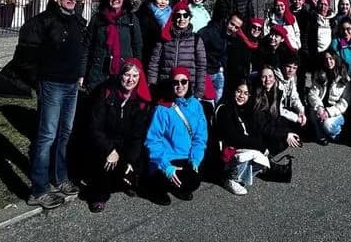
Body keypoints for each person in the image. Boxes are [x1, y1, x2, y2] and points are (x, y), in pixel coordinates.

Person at [19, 0, 88, 209]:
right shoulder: (42, 21)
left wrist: (80, 74)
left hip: (71, 85)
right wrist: (37, 80)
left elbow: (81, 51)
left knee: (65, 133)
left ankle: (60, 177)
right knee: (46, 135)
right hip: (51, 84)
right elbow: (26, 54)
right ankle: (38, 189)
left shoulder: (77, 21)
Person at [86, 59, 152, 212]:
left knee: (138, 158)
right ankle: (99, 195)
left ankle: (125, 179)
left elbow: (138, 134)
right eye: (127, 75)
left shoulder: (141, 101)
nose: (130, 80)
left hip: (126, 142)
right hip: (105, 140)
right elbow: (94, 126)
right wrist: (110, 149)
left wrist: (130, 160)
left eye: (135, 76)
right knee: (104, 162)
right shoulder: (106, 92)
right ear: (120, 75)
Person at [145, 66, 208, 205]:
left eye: (184, 82)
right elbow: (153, 140)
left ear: (189, 83)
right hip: (167, 158)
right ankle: (153, 189)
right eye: (176, 82)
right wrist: (165, 165)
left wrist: (195, 159)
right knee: (162, 179)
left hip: (187, 156)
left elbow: (200, 137)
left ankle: (177, 186)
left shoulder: (196, 105)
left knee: (194, 181)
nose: (180, 86)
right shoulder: (163, 108)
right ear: (171, 84)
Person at [213, 81, 270, 195]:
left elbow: (252, 132)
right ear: (232, 91)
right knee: (251, 154)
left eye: (245, 93)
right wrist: (259, 146)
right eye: (239, 91)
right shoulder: (224, 108)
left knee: (262, 160)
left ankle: (239, 177)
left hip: (239, 146)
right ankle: (229, 179)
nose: (241, 96)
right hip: (225, 151)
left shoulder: (244, 109)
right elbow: (233, 137)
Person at [84, 0, 142, 92]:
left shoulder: (131, 19)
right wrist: (82, 74)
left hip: (123, 71)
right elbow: (87, 46)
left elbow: (137, 46)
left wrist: (137, 70)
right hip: (99, 71)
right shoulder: (97, 19)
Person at [147, 2, 206, 100]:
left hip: (187, 88)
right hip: (166, 87)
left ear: (189, 18)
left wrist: (199, 92)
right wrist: (152, 85)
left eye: (185, 15)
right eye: (178, 15)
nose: (182, 19)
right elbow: (154, 63)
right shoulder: (164, 38)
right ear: (174, 18)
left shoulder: (196, 40)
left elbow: (201, 67)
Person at [252, 66, 302, 155]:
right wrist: (285, 134)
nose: (268, 80)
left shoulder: (276, 93)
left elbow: (277, 117)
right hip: (259, 132)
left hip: (270, 127)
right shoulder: (255, 97)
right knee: (282, 141)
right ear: (260, 79)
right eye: (264, 77)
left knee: (291, 130)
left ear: (275, 79)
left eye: (270, 76)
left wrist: (287, 132)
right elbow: (262, 126)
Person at [306, 49, 351, 145]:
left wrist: (328, 112)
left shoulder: (344, 78)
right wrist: (320, 107)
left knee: (328, 126)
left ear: (335, 59)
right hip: (321, 108)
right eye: (326, 59)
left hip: (336, 112)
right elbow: (312, 94)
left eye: (331, 58)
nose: (328, 61)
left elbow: (344, 103)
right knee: (308, 115)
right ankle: (320, 134)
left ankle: (341, 133)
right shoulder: (320, 74)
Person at [136, 0, 172, 68]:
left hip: (166, 53)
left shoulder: (171, 14)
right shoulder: (145, 13)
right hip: (149, 53)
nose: (163, 2)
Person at [306, 0, 334, 85]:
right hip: (316, 53)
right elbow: (308, 36)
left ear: (328, 6)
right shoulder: (312, 19)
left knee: (328, 77)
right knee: (316, 78)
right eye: (321, 4)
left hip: (329, 52)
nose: (323, 7)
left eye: (325, 5)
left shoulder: (332, 20)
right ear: (317, 5)